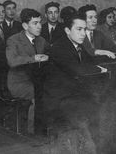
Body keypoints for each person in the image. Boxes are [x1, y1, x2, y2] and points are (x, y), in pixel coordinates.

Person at [43, 14, 109, 153]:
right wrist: (99, 69)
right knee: (90, 118)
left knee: (103, 110)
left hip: (73, 95)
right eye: (79, 29)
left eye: (84, 29)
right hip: (59, 99)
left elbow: (88, 63)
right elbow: (77, 69)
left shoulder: (77, 45)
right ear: (67, 30)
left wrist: (99, 69)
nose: (83, 33)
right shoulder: (60, 47)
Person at [6, 8, 49, 134]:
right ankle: (32, 131)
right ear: (25, 25)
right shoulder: (13, 40)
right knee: (39, 93)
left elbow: (51, 53)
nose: (39, 26)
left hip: (37, 80)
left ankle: (46, 128)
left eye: (40, 22)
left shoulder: (41, 40)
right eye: (35, 23)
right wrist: (33, 58)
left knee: (53, 90)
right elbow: (12, 61)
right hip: (19, 82)